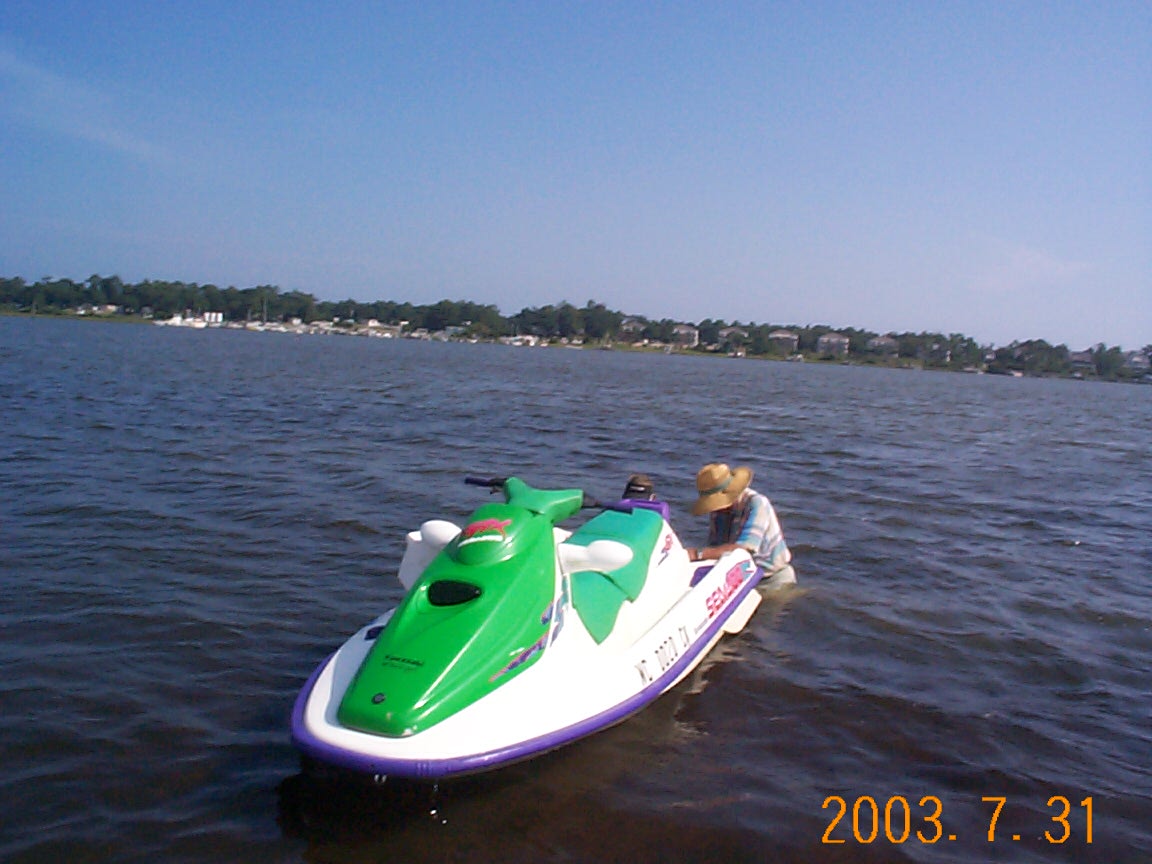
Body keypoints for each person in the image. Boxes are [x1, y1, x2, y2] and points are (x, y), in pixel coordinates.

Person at [685, 462, 792, 575]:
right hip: (741, 574)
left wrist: (697, 554)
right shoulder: (717, 512)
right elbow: (715, 547)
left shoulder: (757, 503)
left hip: (771, 575)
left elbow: (743, 549)